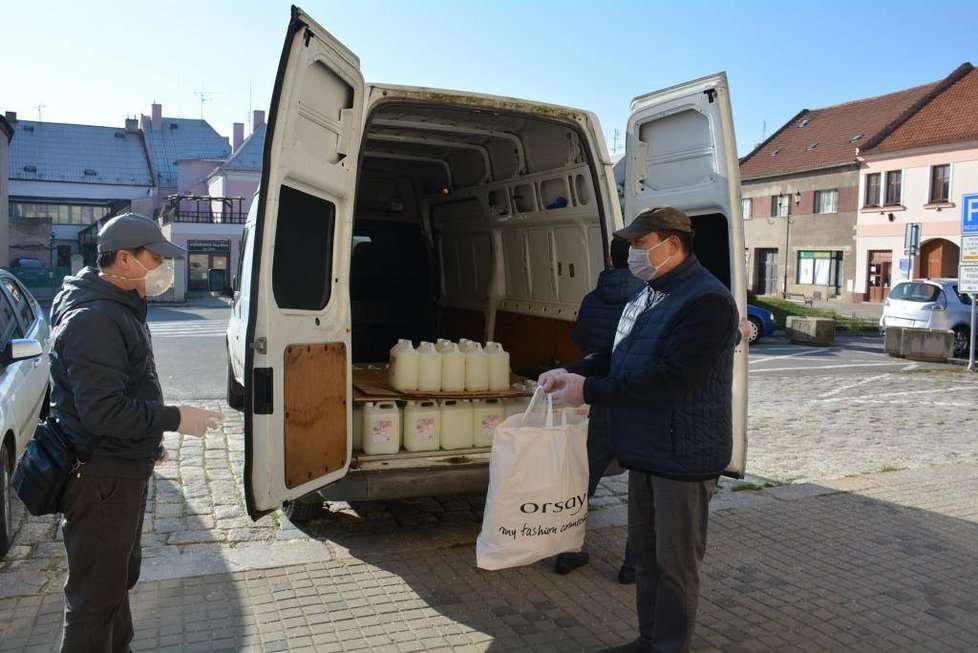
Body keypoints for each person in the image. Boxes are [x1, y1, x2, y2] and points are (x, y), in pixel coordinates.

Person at [540, 207, 740, 653]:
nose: (632, 253)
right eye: (631, 244)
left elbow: (670, 380)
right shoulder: (646, 295)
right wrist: (568, 373)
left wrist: (588, 390)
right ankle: (649, 640)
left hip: (683, 454)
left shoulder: (707, 301)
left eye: (639, 243)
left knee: (675, 565)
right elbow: (620, 358)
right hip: (647, 449)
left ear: (672, 244)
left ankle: (669, 647)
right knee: (648, 558)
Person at [51, 213, 224, 652]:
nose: (165, 266)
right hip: (101, 478)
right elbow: (103, 411)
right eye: (157, 257)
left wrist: (148, 441)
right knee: (94, 599)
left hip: (119, 467)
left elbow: (123, 390)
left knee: (114, 585)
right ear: (125, 260)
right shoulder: (96, 318)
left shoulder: (116, 303)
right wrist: (174, 417)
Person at [554, 236, 643, 582]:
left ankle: (567, 550)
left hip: (598, 398)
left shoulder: (593, 298)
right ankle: (633, 565)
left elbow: (580, 339)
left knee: (582, 477)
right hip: (634, 399)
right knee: (642, 486)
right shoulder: (647, 296)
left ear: (609, 257)